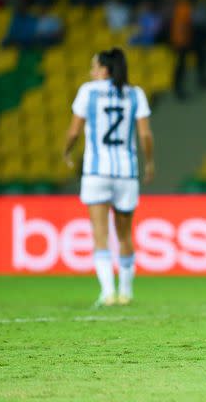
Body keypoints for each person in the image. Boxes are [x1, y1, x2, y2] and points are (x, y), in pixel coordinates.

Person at [62, 48, 155, 307]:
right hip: (126, 172)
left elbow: (74, 131)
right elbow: (145, 135)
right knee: (125, 235)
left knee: (100, 234)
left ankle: (107, 293)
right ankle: (126, 292)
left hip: (96, 172)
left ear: (104, 69)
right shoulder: (136, 94)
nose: (91, 73)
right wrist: (149, 162)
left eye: (94, 67)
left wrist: (66, 152)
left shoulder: (88, 92)